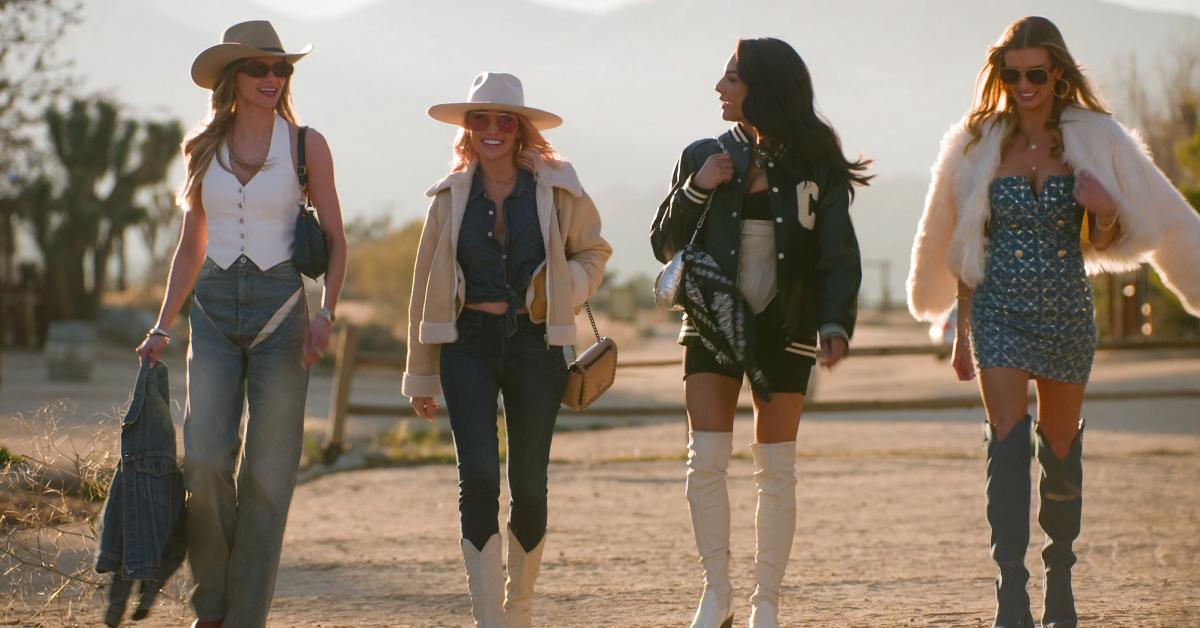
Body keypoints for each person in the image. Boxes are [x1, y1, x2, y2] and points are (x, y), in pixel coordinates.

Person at [907, 16, 1200, 628]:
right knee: (1007, 442)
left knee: (1061, 449)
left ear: (1057, 72)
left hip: (1066, 312)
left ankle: (1059, 575)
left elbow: (1115, 236)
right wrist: (962, 334)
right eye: (1010, 74)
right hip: (998, 313)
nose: (1023, 84)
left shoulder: (1092, 140)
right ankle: (1009, 587)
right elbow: (966, 246)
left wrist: (1104, 209)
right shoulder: (979, 142)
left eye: (1035, 73)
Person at [135, 20, 347, 628]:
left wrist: (326, 312)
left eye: (281, 68)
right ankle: (214, 605)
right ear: (233, 76)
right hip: (213, 309)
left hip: (285, 311)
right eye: (259, 68)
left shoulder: (308, 145)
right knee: (202, 459)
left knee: (269, 473)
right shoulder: (202, 145)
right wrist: (161, 325)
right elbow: (190, 243)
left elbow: (336, 240)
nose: (272, 78)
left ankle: (242, 617)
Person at [650, 38, 869, 628]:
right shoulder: (703, 153)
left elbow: (838, 251)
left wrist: (834, 322)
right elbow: (664, 246)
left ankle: (764, 602)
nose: (719, 90)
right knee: (707, 460)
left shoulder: (814, 162)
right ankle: (715, 590)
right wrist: (697, 187)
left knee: (776, 467)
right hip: (711, 323)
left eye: (731, 79)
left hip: (786, 326)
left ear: (762, 88)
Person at [404, 71, 611, 627]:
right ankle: (487, 619)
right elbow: (425, 286)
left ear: (520, 129)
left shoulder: (557, 185)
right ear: (467, 128)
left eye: (504, 120)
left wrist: (564, 285)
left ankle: (518, 612)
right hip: (465, 344)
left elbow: (594, 251)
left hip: (536, 345)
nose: (492, 128)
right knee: (476, 477)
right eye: (481, 118)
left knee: (529, 483)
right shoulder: (448, 196)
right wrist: (420, 377)